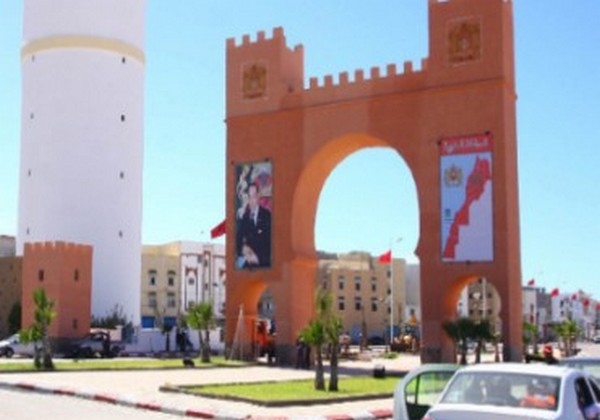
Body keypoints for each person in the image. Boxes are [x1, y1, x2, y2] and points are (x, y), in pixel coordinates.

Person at [236, 182, 272, 268]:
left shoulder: (267, 216)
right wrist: (243, 248)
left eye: (254, 196)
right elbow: (238, 240)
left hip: (263, 264)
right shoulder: (245, 217)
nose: (251, 200)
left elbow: (272, 247)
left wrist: (257, 259)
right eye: (249, 197)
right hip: (248, 265)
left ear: (258, 196)